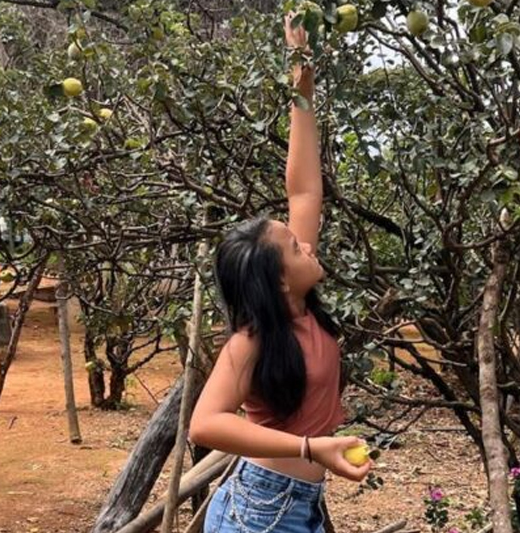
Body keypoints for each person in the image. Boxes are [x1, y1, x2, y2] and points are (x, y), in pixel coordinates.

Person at [189, 15, 371, 533]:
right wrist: (311, 447)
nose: (306, 242)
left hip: (296, 503)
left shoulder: (302, 306)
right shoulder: (253, 342)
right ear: (278, 280)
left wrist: (302, 77)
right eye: (294, 246)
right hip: (262, 511)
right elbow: (206, 423)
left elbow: (304, 190)